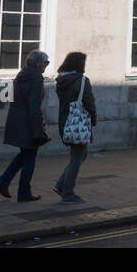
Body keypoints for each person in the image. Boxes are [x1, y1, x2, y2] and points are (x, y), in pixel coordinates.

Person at [0, 50, 50, 202]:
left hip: (17, 121)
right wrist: (38, 129)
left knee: (24, 155)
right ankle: (24, 192)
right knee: (30, 157)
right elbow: (34, 106)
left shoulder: (21, 75)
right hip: (29, 124)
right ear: (39, 64)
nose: (47, 66)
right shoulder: (37, 78)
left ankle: (3, 181)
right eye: (46, 62)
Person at [53, 51, 97, 203]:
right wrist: (94, 119)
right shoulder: (83, 81)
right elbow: (89, 102)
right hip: (79, 122)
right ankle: (67, 193)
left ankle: (61, 185)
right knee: (77, 157)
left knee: (79, 155)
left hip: (66, 122)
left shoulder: (61, 81)